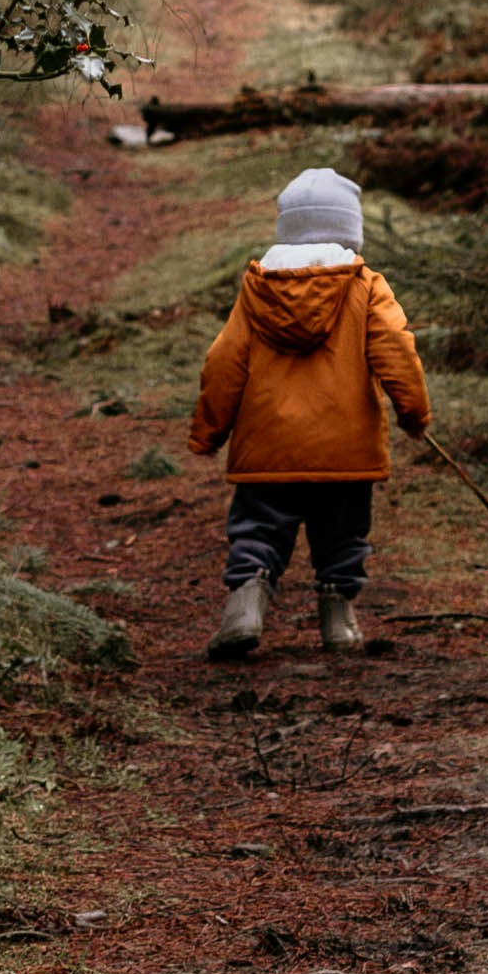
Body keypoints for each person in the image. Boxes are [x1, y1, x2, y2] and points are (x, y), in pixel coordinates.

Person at [186, 163, 431, 658]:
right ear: (350, 232)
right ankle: (338, 623)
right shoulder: (365, 285)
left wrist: (209, 430)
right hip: (346, 449)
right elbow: (397, 352)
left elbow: (223, 363)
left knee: (257, 533)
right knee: (342, 538)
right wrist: (413, 413)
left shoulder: (256, 288)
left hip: (267, 450)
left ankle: (245, 610)